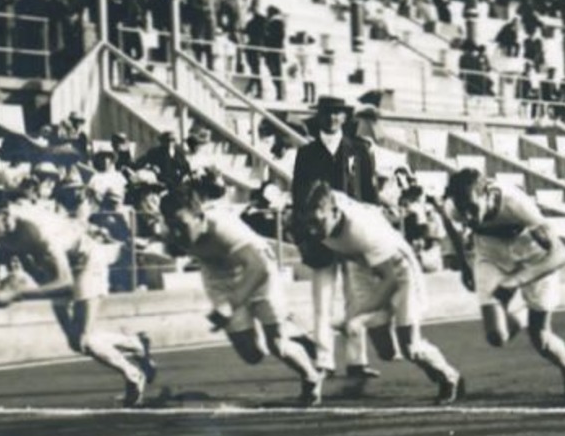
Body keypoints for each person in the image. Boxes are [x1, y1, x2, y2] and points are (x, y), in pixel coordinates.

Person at [0, 187, 157, 406]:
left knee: (86, 339)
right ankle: (135, 344)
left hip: (86, 261)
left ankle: (134, 375)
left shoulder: (36, 229)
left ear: (3, 214)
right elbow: (31, 260)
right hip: (58, 267)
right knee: (76, 343)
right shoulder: (5, 231)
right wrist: (27, 284)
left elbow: (65, 283)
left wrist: (18, 294)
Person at [161, 183, 327, 406]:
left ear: (200, 217)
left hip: (259, 272)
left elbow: (258, 268)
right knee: (253, 355)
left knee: (277, 345)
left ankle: (310, 377)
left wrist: (231, 304)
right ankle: (287, 327)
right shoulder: (174, 234)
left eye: (181, 225)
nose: (176, 232)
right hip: (220, 279)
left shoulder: (223, 228)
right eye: (171, 226)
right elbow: (174, 246)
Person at [297, 180, 462, 404]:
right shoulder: (322, 213)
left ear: (335, 212)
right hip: (363, 266)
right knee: (385, 351)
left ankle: (449, 377)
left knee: (410, 347)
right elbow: (322, 194)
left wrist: (354, 316)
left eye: (317, 222)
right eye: (308, 223)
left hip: (398, 269)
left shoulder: (361, 230)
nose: (312, 230)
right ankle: (416, 357)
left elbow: (390, 281)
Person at [438, 168, 565, 405]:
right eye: (462, 210)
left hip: (532, 255)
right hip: (491, 254)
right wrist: (465, 264)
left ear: (487, 194)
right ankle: (521, 313)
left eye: (473, 208)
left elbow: (559, 255)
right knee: (497, 336)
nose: (468, 217)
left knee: (541, 337)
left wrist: (514, 282)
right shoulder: (455, 207)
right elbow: (449, 220)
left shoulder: (516, 203)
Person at [291, 95, 378, 379]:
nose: (331, 119)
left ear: (344, 117)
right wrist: (304, 235)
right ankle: (324, 360)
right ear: (319, 117)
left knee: (357, 298)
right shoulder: (306, 153)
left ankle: (357, 360)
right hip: (321, 236)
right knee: (322, 299)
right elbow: (299, 197)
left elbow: (369, 194)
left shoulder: (359, 150)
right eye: (327, 113)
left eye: (337, 113)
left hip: (353, 233)